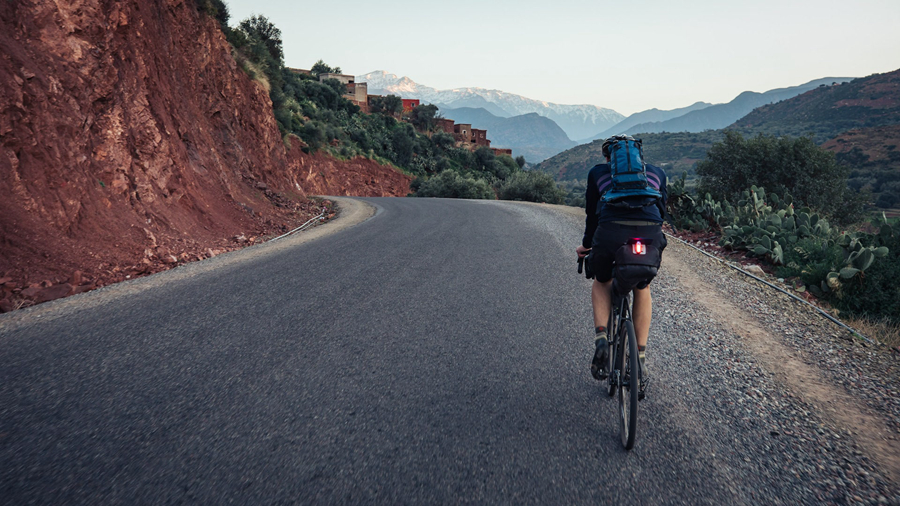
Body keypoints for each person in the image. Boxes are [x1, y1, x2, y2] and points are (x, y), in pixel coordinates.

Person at [575, 135, 667, 395]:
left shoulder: (598, 173)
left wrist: (586, 246)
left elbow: (592, 216)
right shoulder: (657, 173)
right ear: (639, 157)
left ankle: (602, 338)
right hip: (649, 233)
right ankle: (639, 357)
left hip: (610, 232)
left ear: (609, 158)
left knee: (602, 280)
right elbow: (662, 213)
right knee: (641, 286)